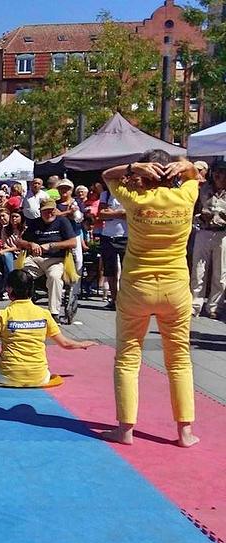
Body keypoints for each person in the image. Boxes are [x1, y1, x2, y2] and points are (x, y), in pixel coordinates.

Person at [100, 152, 201, 448]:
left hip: (137, 287)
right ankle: (184, 432)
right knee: (179, 360)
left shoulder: (135, 199)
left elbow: (108, 175)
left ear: (144, 175)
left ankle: (126, 429)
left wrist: (132, 168)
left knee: (128, 359)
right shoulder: (185, 198)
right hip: (175, 288)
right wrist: (186, 166)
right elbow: (195, 175)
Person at [16, 199, 78, 316]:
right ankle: (22, 307)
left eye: (51, 210)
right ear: (40, 211)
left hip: (55, 259)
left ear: (55, 210)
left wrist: (51, 245)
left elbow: (73, 242)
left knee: (55, 277)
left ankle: (54, 313)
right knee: (21, 276)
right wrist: (31, 244)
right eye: (45, 211)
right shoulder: (35, 223)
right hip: (35, 259)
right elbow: (19, 242)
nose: (49, 213)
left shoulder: (62, 222)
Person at [190, 161, 226, 319]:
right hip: (204, 231)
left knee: (220, 271)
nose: (218, 175)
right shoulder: (203, 189)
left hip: (222, 234)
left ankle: (215, 307)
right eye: (216, 171)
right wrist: (201, 216)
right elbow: (194, 210)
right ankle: (195, 305)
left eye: (222, 172)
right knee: (198, 269)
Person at [98, 182, 128, 309]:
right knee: (110, 270)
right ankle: (114, 299)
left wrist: (112, 213)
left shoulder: (129, 193)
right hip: (107, 236)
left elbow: (131, 214)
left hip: (126, 236)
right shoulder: (106, 194)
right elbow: (102, 214)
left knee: (126, 270)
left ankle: (124, 299)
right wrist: (120, 213)